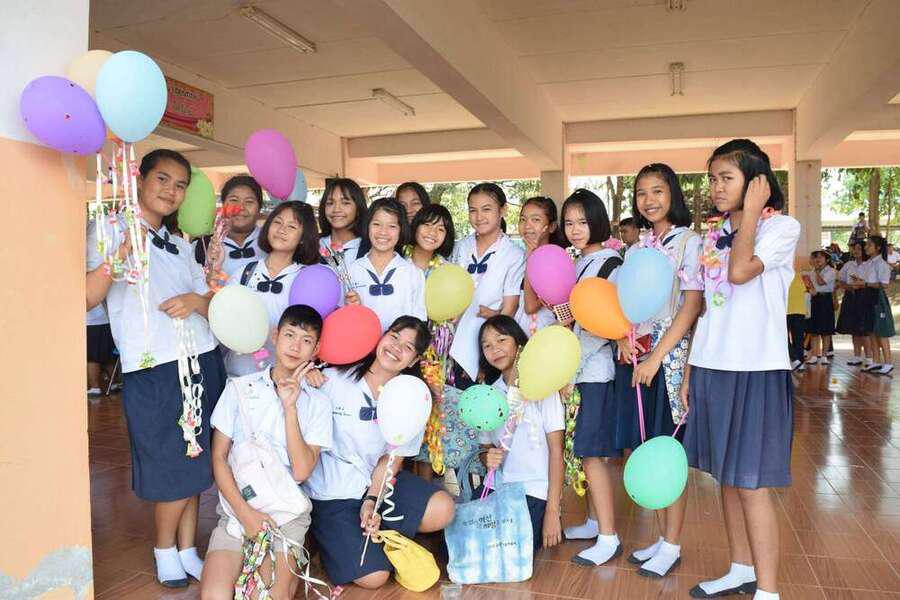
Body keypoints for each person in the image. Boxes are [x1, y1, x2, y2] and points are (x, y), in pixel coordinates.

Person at [86, 149, 227, 588]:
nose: (171, 190)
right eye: (163, 179)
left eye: (180, 184)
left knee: (197, 460)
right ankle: (164, 549)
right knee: (169, 461)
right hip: (154, 366)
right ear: (140, 180)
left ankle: (187, 549)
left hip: (201, 358)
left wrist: (197, 299)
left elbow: (210, 304)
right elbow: (86, 297)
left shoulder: (181, 244)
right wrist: (122, 250)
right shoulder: (109, 230)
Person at [684, 139, 799, 600]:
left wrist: (751, 211)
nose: (716, 187)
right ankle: (739, 568)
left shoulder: (782, 227)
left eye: (726, 178)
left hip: (756, 369)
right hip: (712, 366)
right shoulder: (711, 236)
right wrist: (691, 370)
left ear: (757, 182)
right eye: (712, 178)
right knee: (726, 479)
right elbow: (705, 310)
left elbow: (740, 271)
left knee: (751, 484)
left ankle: (768, 591)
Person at [304, 317, 456, 590]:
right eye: (394, 337)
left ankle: (368, 529)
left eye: (407, 347)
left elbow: (392, 458)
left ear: (413, 360)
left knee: (443, 508)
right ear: (381, 336)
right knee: (374, 578)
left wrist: (372, 500)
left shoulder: (411, 396)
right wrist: (307, 373)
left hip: (373, 482)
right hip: (331, 492)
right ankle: (337, 540)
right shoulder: (332, 378)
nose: (396, 347)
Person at [201, 305, 333, 600]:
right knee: (214, 596)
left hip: (287, 515)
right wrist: (245, 514)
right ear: (275, 336)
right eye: (289, 335)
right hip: (237, 511)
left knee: (268, 597)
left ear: (316, 349)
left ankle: (291, 558)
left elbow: (302, 471)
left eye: (306, 340)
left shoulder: (318, 403)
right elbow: (219, 457)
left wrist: (290, 407)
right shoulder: (238, 388)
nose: (296, 346)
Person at [613, 163, 702, 578]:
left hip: (670, 358)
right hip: (639, 356)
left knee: (668, 451)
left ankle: (673, 543)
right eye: (642, 193)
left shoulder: (688, 242)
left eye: (657, 191)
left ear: (673, 195)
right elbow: (627, 303)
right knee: (648, 445)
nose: (649, 200)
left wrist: (656, 358)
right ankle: (663, 537)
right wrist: (623, 338)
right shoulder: (637, 248)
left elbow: (692, 305)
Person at [559, 189, 624, 568]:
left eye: (583, 222)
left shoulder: (609, 264)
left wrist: (569, 370)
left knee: (591, 453)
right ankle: (594, 521)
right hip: (577, 370)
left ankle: (609, 537)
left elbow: (602, 326)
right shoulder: (579, 262)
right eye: (569, 223)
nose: (575, 229)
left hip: (593, 373)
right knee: (583, 451)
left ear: (597, 222)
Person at [476, 315, 564, 552]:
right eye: (487, 345)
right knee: (463, 545)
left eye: (501, 340)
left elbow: (557, 452)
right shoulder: (489, 394)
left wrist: (552, 512)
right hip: (496, 487)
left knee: (510, 551)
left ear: (518, 342)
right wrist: (487, 457)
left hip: (534, 492)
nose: (495, 349)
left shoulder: (543, 389)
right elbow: (485, 449)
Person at [223, 201, 321, 376]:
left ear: (303, 237)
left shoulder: (308, 279)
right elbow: (225, 316)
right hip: (238, 375)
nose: (282, 230)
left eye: (291, 226)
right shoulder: (244, 273)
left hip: (285, 379)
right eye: (277, 222)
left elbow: (313, 329)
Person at [449, 183, 525, 389]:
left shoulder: (514, 254)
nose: (479, 217)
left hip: (490, 352)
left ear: (503, 210)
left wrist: (484, 360)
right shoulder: (461, 247)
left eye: (486, 209)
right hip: (454, 346)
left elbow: (509, 310)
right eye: (473, 210)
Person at [345, 198, 426, 332]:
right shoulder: (351, 270)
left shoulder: (413, 274)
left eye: (392, 226)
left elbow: (418, 323)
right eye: (376, 224)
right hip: (360, 343)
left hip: (398, 345)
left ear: (401, 230)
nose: (383, 232)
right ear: (367, 226)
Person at [193, 175, 266, 280]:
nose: (240, 207)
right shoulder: (201, 246)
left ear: (259, 208)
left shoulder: (272, 243)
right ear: (223, 205)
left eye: (249, 201)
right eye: (234, 200)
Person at [516, 196, 560, 336]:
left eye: (535, 220)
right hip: (519, 332)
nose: (527, 226)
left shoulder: (554, 260)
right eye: (523, 219)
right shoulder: (518, 255)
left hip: (541, 334)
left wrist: (531, 258)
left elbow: (530, 307)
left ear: (551, 226)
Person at [862, 235, 895, 374]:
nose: (866, 247)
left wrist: (865, 284)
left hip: (877, 298)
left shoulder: (881, 264)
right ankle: (876, 361)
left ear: (878, 248)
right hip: (867, 297)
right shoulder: (869, 263)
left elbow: (884, 284)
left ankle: (888, 362)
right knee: (871, 330)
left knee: (881, 331)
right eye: (866, 245)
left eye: (869, 245)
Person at [319, 177, 368, 264]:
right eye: (330, 203)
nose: (336, 209)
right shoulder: (312, 245)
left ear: (358, 208)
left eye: (345, 203)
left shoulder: (369, 249)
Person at [836, 241, 869, 366]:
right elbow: (840, 281)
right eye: (854, 249)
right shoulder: (849, 264)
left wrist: (861, 283)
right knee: (854, 329)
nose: (855, 251)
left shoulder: (869, 265)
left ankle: (870, 358)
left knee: (864, 329)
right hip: (851, 296)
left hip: (865, 296)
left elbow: (873, 283)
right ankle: (857, 356)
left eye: (859, 248)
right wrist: (850, 287)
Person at [805, 250, 836, 366]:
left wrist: (817, 271)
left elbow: (821, 282)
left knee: (826, 330)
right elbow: (811, 285)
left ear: (827, 260)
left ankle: (824, 356)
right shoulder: (813, 271)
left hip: (825, 300)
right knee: (814, 329)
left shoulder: (831, 271)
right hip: (815, 299)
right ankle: (814, 355)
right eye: (816, 257)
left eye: (821, 257)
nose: (818, 259)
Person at [405, 203, 455, 275]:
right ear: (416, 226)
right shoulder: (395, 260)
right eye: (427, 224)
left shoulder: (449, 272)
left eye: (440, 229)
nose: (432, 232)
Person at [86, 302, 118, 397]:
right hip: (107, 320)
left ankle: (94, 387)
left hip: (90, 322)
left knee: (92, 357)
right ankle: (114, 383)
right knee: (108, 355)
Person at [786, 268, 810, 372]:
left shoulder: (801, 275)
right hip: (786, 310)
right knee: (785, 337)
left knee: (798, 339)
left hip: (797, 310)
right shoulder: (782, 275)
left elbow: (811, 291)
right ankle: (796, 360)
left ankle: (798, 362)